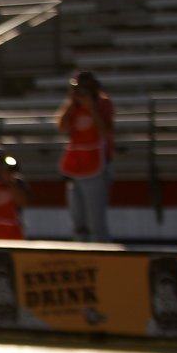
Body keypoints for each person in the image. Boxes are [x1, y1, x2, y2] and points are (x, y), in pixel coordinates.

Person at [56, 70, 115, 241]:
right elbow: (61, 127)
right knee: (78, 222)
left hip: (96, 168)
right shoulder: (72, 105)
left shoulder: (103, 102)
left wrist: (92, 108)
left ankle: (102, 253)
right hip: (76, 168)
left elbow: (104, 130)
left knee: (96, 223)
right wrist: (71, 103)